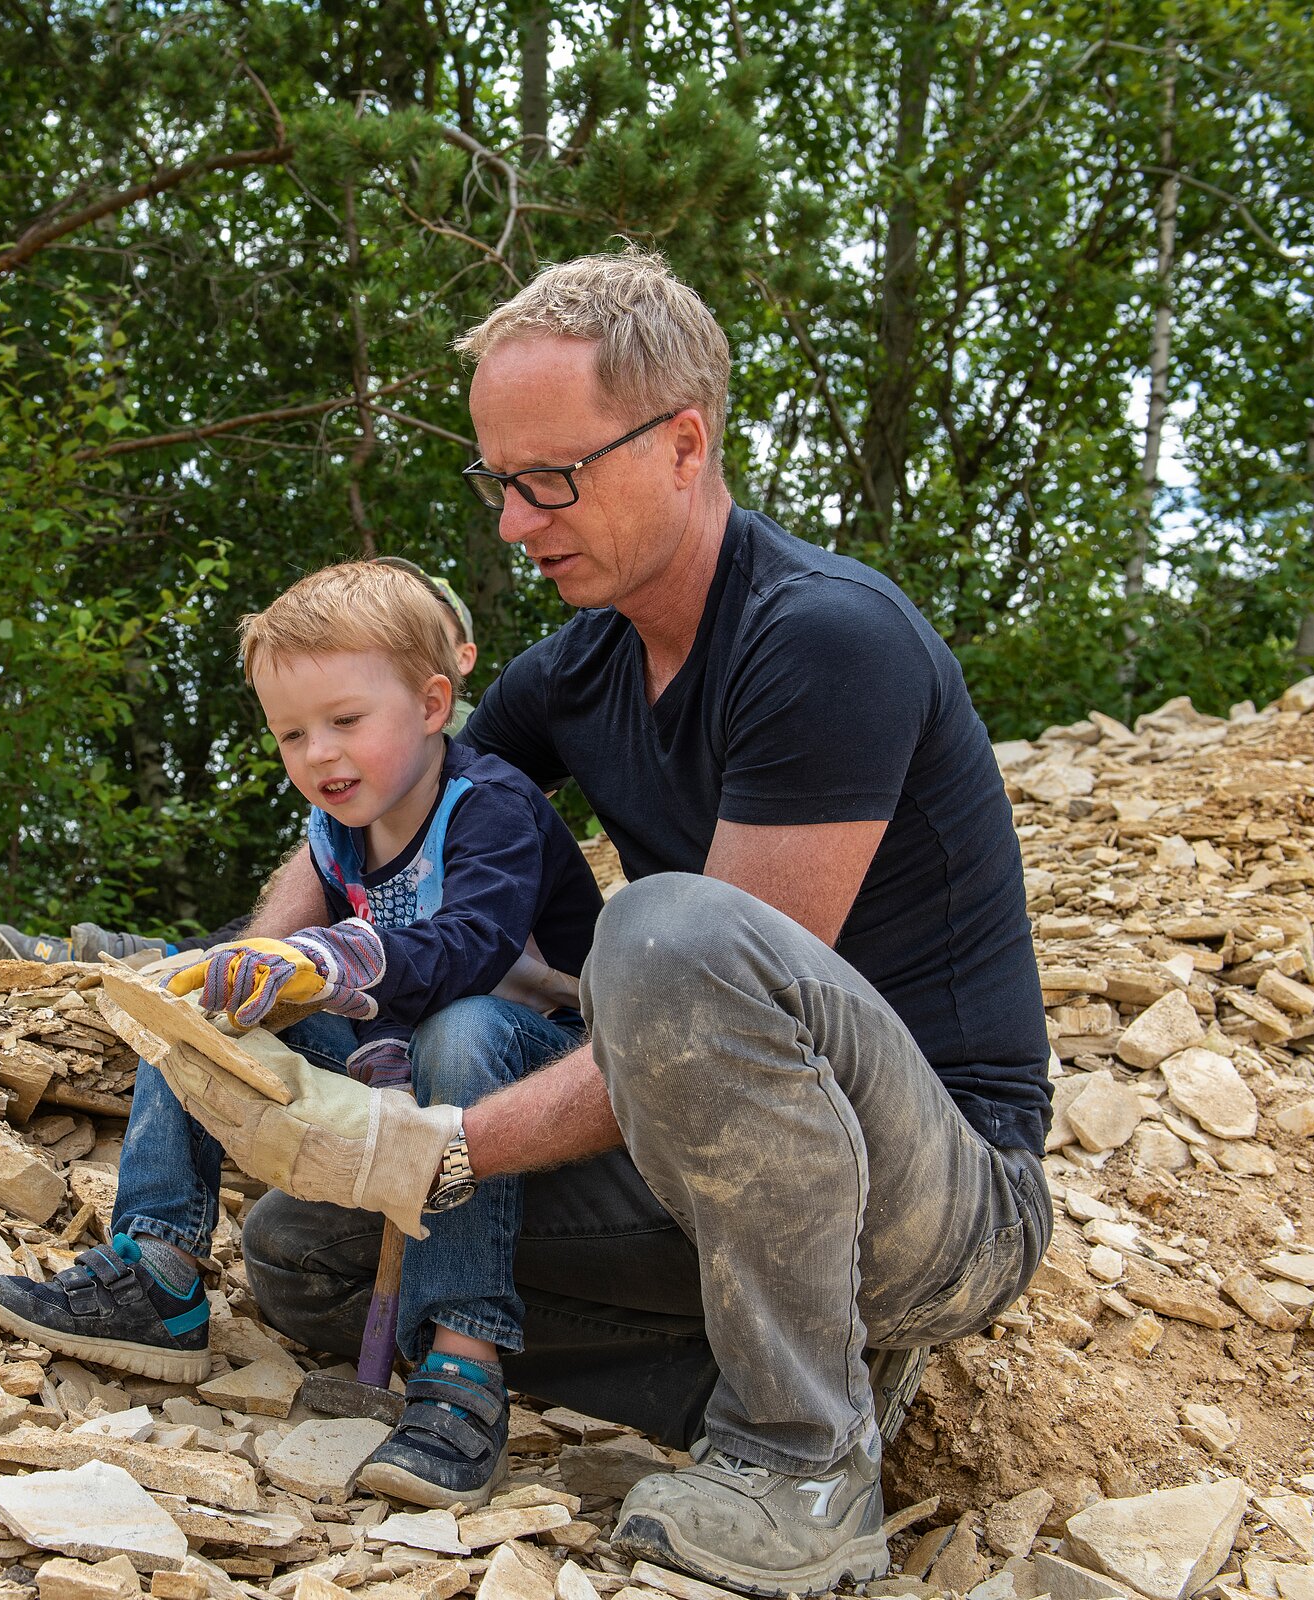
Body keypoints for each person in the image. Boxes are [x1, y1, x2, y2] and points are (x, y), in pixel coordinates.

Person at [154, 252, 1051, 1597]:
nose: (515, 523)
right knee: (313, 1260)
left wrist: (442, 1144)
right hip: (720, 1182)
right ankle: (790, 1383)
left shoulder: (825, 640)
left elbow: (708, 1003)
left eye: (549, 480)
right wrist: (256, 962)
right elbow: (386, 792)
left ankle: (801, 1460)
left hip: (937, 1196)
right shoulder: (577, 670)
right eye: (498, 482)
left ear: (682, 442)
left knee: (666, 940)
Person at [0, 560, 601, 1509]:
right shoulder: (338, 823)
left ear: (434, 703)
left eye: (346, 722)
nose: (318, 754)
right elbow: (310, 964)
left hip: (532, 1061)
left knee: (463, 1031)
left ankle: (463, 1365)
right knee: (193, 1005)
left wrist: (335, 962)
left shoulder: (495, 808)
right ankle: (161, 1270)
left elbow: (470, 950)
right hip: (403, 1039)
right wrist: (250, 973)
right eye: (290, 733)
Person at [0, 556, 482, 967]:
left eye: (429, 625)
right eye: (291, 733)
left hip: (428, 970)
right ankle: (160, 957)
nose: (321, 749)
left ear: (461, 657)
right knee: (282, 907)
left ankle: (167, 958)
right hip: (370, 951)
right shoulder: (349, 774)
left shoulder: (472, 757)